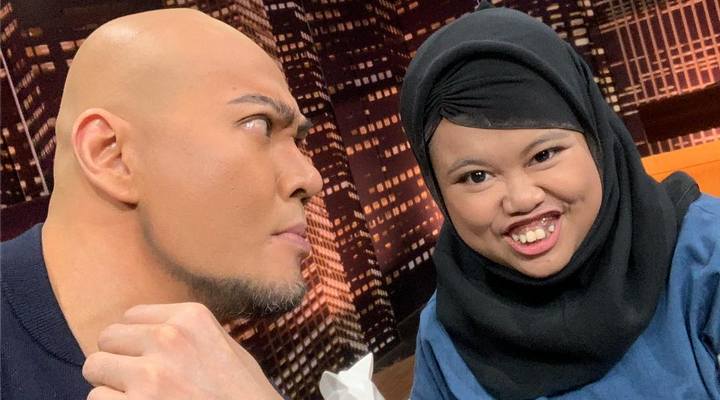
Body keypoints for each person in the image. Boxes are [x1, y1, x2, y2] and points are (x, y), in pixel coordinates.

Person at [399, 2, 720, 399]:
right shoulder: (447, 331)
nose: (521, 199)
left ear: (595, 139)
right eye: (476, 176)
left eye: (543, 155)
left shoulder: (704, 257)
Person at [1, 8, 322, 399]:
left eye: (297, 141)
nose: (311, 179)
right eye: (259, 124)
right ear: (111, 155)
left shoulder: (215, 364)